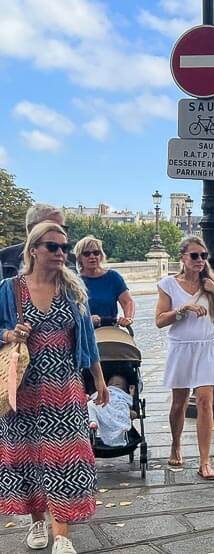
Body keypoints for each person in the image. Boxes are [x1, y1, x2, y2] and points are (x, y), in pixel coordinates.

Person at [0, 221, 108, 554]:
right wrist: (8, 335)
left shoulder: (74, 289)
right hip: (23, 388)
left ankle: (62, 534)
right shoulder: (9, 288)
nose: (61, 253)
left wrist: (100, 379)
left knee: (68, 458)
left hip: (65, 387)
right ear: (33, 250)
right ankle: (36, 520)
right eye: (53, 247)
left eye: (64, 247)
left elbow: (87, 341)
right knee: (29, 456)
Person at [155, 236, 214, 481]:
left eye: (204, 256)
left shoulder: (211, 283)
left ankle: (205, 461)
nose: (200, 260)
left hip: (205, 347)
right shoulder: (168, 284)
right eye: (194, 256)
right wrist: (182, 309)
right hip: (181, 347)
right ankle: (176, 444)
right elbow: (159, 321)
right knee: (179, 402)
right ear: (183, 258)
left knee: (205, 402)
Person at [0, 204, 76, 280]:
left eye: (63, 228)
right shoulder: (4, 259)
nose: (59, 231)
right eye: (50, 227)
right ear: (31, 229)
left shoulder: (73, 261)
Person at [75, 235, 135, 329]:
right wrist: (86, 319)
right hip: (85, 332)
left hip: (110, 331)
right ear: (79, 258)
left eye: (96, 253)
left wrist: (128, 318)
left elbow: (127, 301)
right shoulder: (74, 282)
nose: (92, 256)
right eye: (86, 254)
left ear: (101, 255)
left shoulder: (113, 277)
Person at [87, 374, 134, 448]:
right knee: (90, 404)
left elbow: (129, 402)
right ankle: (93, 421)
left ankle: (118, 428)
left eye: (117, 384)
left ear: (124, 389)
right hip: (102, 403)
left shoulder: (123, 394)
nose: (113, 385)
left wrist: (131, 393)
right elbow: (94, 396)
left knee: (122, 408)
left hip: (117, 404)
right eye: (110, 384)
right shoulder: (105, 390)